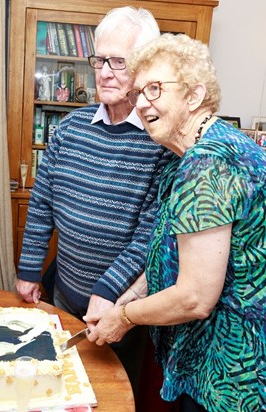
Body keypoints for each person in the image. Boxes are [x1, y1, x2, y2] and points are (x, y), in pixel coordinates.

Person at [84, 33, 266, 411]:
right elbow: (171, 253)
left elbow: (195, 297)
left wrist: (124, 317)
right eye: (138, 93)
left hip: (232, 374)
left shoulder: (209, 165)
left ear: (194, 97)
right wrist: (127, 296)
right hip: (205, 361)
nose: (142, 104)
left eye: (155, 89)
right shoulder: (184, 156)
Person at [16, 6, 171, 402]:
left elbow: (150, 235)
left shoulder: (161, 143)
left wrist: (109, 291)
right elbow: (42, 203)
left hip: (119, 313)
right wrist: (30, 269)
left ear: (145, 66)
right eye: (99, 59)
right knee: (57, 392)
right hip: (64, 297)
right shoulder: (69, 128)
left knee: (110, 398)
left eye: (119, 61)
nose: (104, 71)